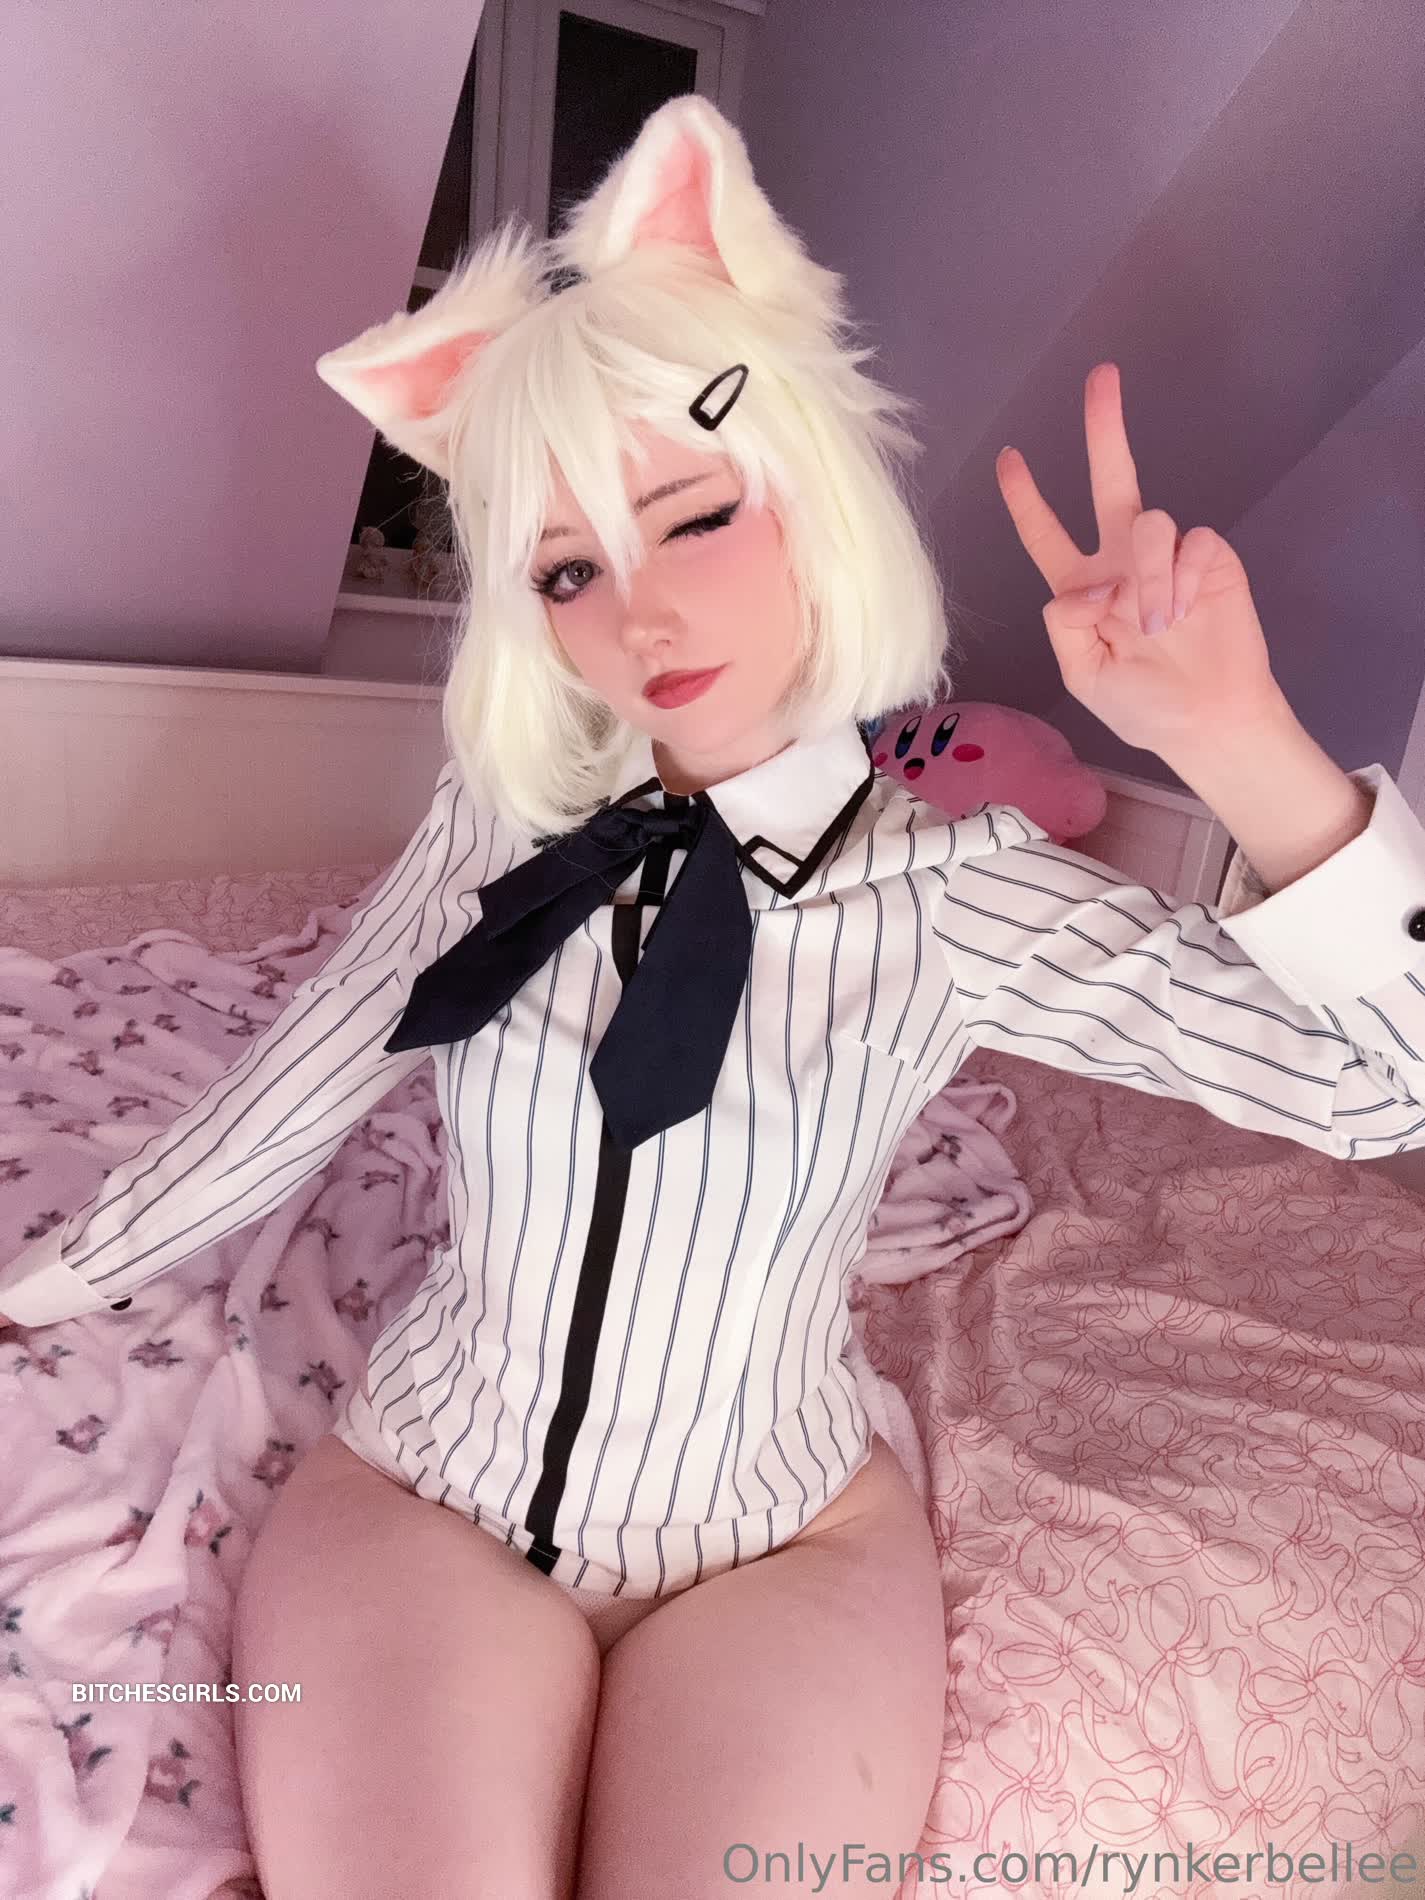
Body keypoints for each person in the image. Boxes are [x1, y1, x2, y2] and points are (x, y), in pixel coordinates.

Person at [4, 92, 1425, 1900]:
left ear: (813, 495)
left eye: (691, 519)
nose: (639, 617)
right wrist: (53, 1284)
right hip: (423, 1492)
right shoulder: (501, 826)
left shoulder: (958, 895)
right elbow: (311, 1062)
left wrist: (1235, 741)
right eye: (567, 569)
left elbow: (1382, 1088)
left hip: (779, 1544)